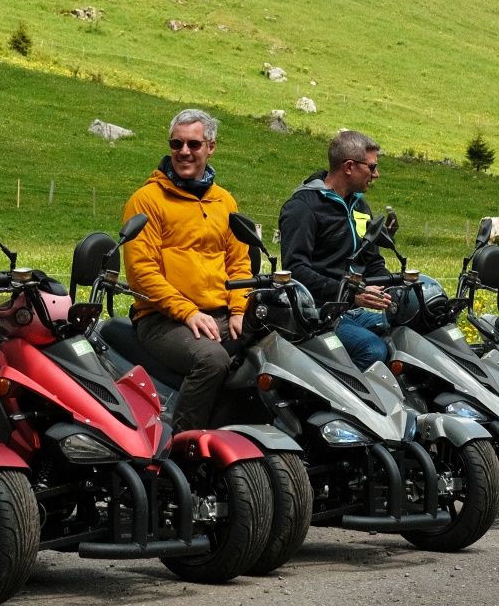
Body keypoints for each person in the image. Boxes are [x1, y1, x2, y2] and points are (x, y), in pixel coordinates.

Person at [119, 108, 251, 430]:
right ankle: (182, 446)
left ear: (210, 147)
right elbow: (142, 272)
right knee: (212, 360)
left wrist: (239, 309)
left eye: (193, 144)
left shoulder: (224, 202)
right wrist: (188, 312)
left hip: (219, 313)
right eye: (177, 144)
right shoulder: (147, 200)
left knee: (273, 344)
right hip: (162, 319)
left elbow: (239, 262)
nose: (184, 152)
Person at [279, 130, 394, 369]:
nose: (376, 174)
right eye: (371, 168)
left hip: (356, 307)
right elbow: (296, 271)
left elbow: (372, 260)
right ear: (349, 167)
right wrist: (350, 294)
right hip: (320, 312)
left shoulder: (360, 205)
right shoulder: (303, 207)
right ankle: (352, 405)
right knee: (372, 349)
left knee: (411, 324)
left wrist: (393, 290)